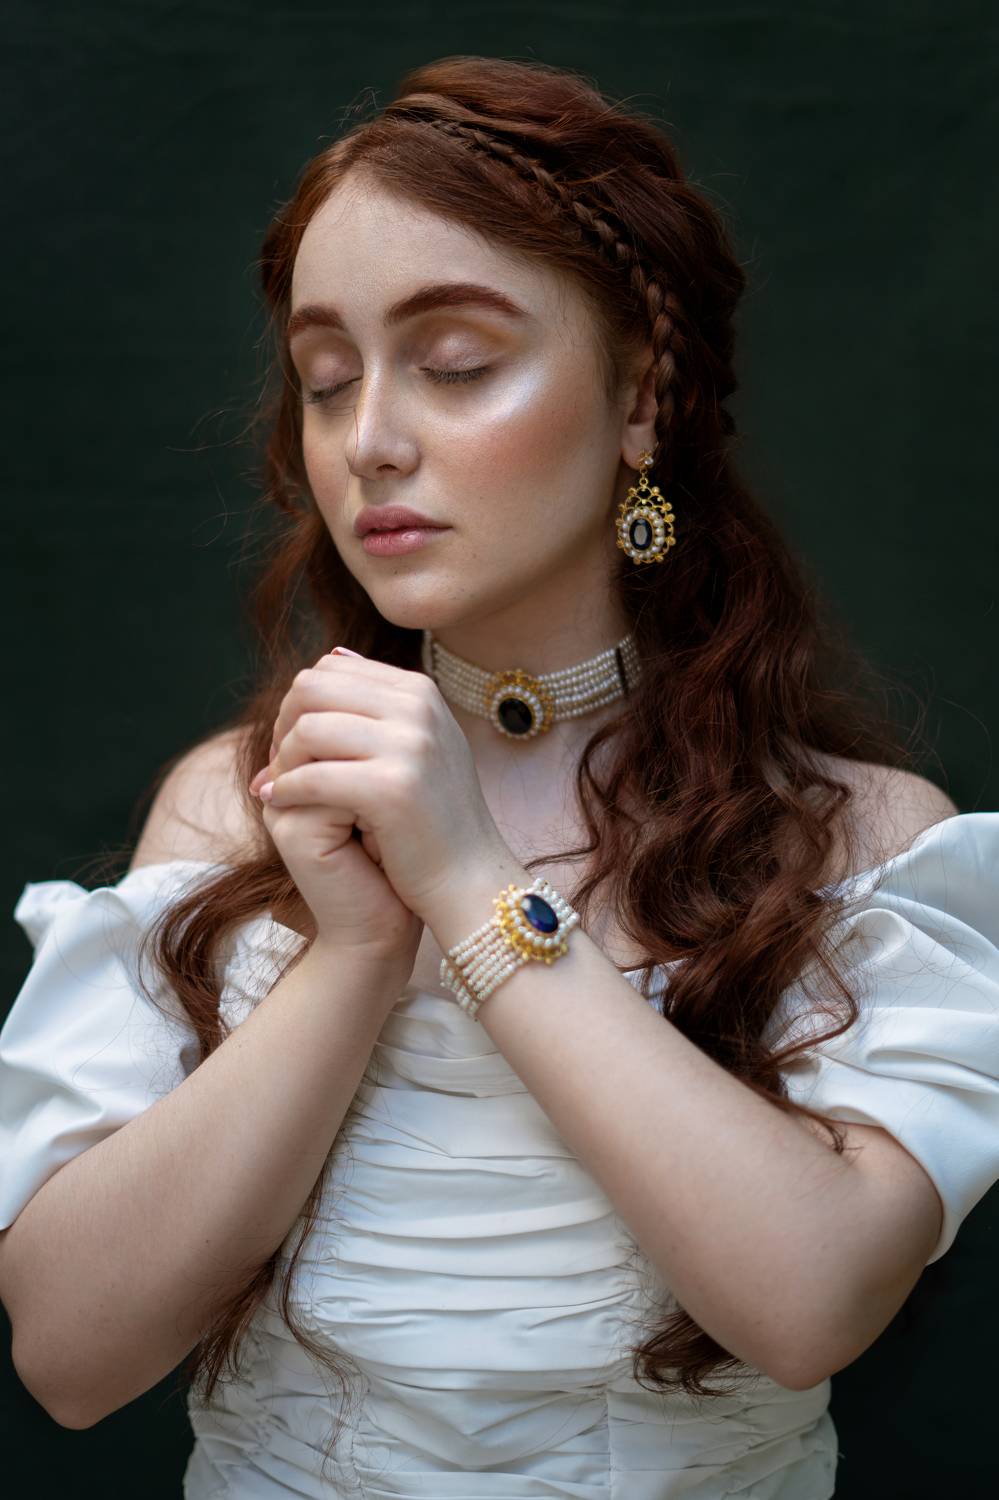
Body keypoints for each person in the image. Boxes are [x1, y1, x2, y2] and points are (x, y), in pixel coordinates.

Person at [1, 53, 997, 1500]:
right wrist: (352, 951)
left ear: (642, 398)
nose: (370, 442)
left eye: (457, 362)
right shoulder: (235, 803)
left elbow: (810, 1306)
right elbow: (67, 1358)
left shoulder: (859, 838)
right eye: (326, 381)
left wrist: (469, 883)